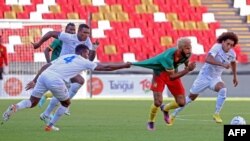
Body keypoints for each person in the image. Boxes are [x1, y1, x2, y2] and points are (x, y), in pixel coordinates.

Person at [2, 44, 131, 131]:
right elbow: (105, 67)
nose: (88, 55)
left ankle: (16, 106)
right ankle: (50, 125)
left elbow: (45, 66)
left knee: (32, 102)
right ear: (83, 52)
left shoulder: (65, 57)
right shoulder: (83, 60)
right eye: (87, 53)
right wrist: (123, 66)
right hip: (56, 79)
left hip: (44, 76)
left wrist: (35, 80)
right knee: (66, 103)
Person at [171, 32, 239, 124]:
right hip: (204, 77)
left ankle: (216, 114)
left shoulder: (232, 54)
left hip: (215, 78)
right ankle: (173, 114)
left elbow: (233, 62)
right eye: (228, 44)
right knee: (191, 97)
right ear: (222, 42)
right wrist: (222, 64)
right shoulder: (217, 47)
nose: (229, 46)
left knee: (223, 89)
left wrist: (235, 76)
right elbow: (208, 59)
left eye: (231, 45)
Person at [32, 24, 98, 118]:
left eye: (88, 33)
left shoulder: (87, 41)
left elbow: (90, 60)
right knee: (79, 82)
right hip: (61, 67)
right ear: (79, 32)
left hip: (71, 68)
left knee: (65, 90)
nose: (86, 35)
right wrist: (39, 43)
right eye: (84, 32)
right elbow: (51, 33)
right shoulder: (67, 37)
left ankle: (47, 112)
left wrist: (94, 49)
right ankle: (62, 105)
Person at [132, 37, 196, 130]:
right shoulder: (168, 57)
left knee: (182, 103)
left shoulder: (187, 55)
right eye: (187, 48)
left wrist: (188, 66)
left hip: (173, 74)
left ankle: (165, 108)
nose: (189, 50)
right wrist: (187, 70)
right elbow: (172, 76)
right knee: (157, 102)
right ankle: (151, 121)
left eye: (190, 48)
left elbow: (186, 63)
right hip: (160, 75)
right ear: (180, 49)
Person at [38, 22, 76, 109]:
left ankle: (48, 101)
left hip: (64, 67)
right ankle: (55, 110)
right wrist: (49, 63)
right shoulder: (59, 40)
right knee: (66, 88)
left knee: (65, 88)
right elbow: (46, 50)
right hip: (56, 66)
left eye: (74, 30)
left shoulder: (72, 42)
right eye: (70, 29)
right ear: (66, 30)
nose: (72, 32)